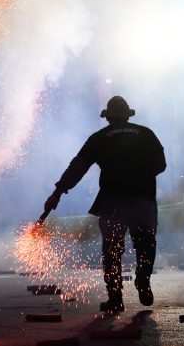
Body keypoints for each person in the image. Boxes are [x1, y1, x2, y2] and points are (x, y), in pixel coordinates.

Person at [44, 96, 166, 313]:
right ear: (128, 115)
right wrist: (139, 177)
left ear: (108, 117)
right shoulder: (146, 134)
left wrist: (57, 192)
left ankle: (115, 298)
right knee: (146, 243)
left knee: (112, 250)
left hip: (112, 202)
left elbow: (77, 168)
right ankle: (143, 280)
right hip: (143, 200)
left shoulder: (99, 138)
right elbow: (161, 165)